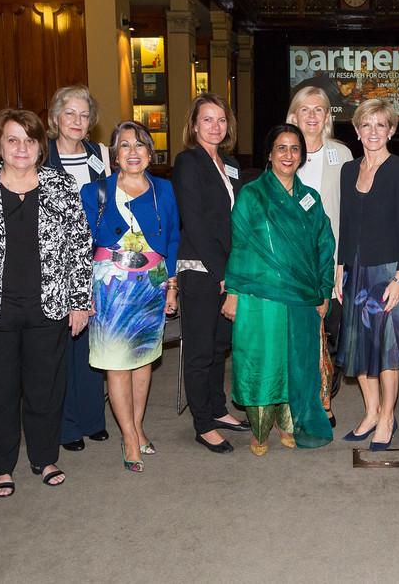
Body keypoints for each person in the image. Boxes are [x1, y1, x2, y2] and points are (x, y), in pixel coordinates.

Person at [0, 109, 93, 495]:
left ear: (41, 146)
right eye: (12, 139)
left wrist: (80, 301)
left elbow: (80, 248)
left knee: (45, 388)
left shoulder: (61, 186)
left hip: (48, 307)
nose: (22, 148)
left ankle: (44, 456)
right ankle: (1, 466)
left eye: (30, 140)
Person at [224, 124, 335, 455]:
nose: (289, 155)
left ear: (301, 156)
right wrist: (233, 291)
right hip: (260, 295)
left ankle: (290, 422)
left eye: (295, 149)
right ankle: (260, 430)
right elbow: (240, 245)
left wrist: (324, 290)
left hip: (302, 297)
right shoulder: (252, 195)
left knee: (296, 362)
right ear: (270, 154)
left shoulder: (309, 199)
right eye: (282, 148)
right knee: (263, 361)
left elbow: (324, 247)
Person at [81, 122, 180, 471]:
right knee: (117, 364)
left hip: (151, 284)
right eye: (125, 146)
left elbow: (171, 242)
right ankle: (127, 436)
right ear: (114, 154)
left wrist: (171, 286)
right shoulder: (94, 192)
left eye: (140, 146)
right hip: (110, 286)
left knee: (142, 361)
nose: (133, 152)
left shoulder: (164, 190)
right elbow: (82, 248)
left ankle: (137, 427)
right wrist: (82, 295)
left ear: (150, 153)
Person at [335, 99, 399, 451]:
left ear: (391, 130)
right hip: (354, 269)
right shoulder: (348, 170)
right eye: (366, 125)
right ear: (356, 131)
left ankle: (387, 416)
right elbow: (346, 223)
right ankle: (370, 412)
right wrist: (339, 268)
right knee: (359, 347)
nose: (373, 132)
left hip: (387, 273)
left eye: (380, 125)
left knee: (388, 351)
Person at [171, 94, 250, 453]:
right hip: (202, 270)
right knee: (201, 348)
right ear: (194, 124)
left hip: (226, 268)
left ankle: (217, 409)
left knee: (221, 345)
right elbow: (197, 222)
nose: (215, 126)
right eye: (207, 120)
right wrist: (222, 273)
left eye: (221, 120)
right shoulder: (188, 162)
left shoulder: (229, 163)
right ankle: (202, 423)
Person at [45, 85, 111, 453]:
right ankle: (67, 424)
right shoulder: (40, 156)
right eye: (70, 114)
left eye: (84, 115)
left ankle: (92, 418)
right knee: (62, 344)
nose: (77, 121)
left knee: (91, 342)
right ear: (56, 118)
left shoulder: (98, 154)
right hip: (56, 261)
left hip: (94, 258)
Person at [287, 86, 354, 426]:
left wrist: (345, 262)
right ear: (294, 115)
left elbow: (351, 211)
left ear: (328, 117)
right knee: (301, 336)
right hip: (294, 265)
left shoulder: (340, 155)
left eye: (319, 110)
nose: (312, 116)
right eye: (305, 109)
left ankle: (328, 385)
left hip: (334, 263)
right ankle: (315, 402)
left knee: (337, 334)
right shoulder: (283, 152)